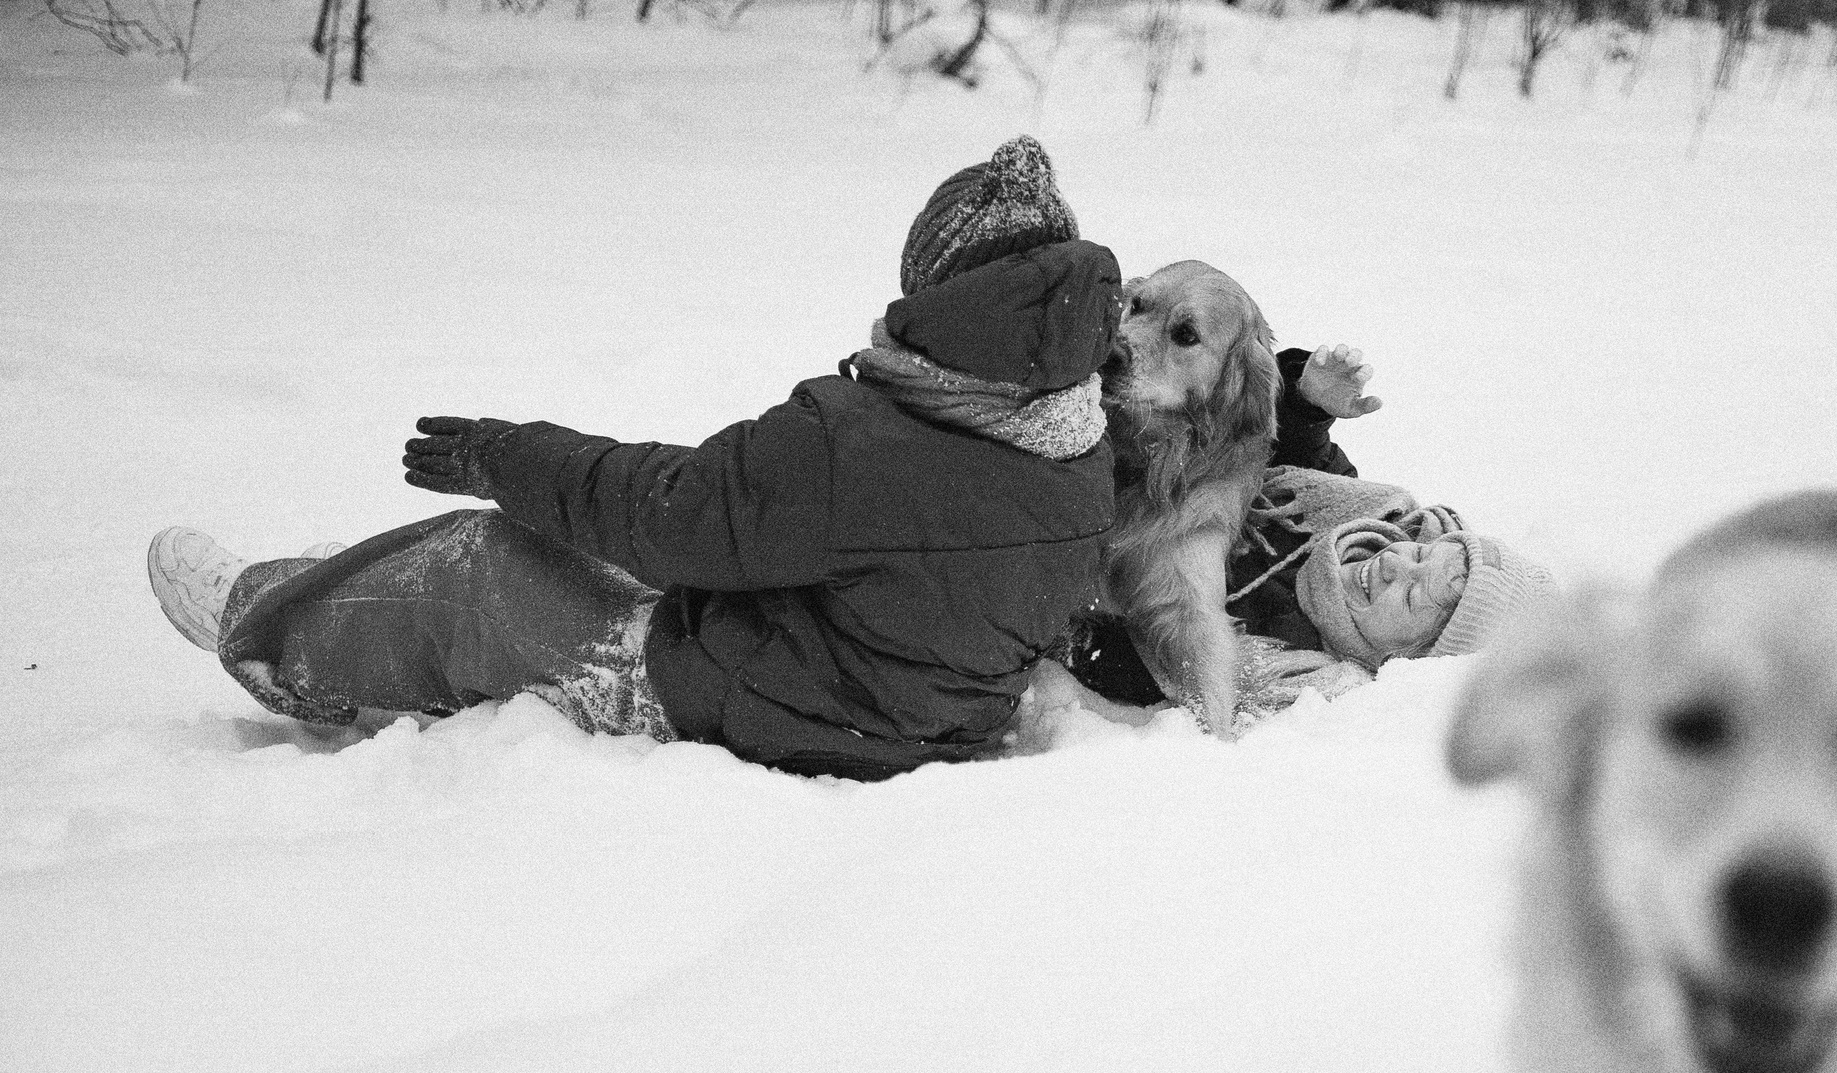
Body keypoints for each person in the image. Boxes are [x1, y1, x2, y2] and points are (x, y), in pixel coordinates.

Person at [146, 137, 1120, 782]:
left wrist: (504, 456)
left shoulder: (858, 445)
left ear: (937, 287)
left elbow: (670, 514)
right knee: (591, 560)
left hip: (785, 712)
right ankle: (346, 598)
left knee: (485, 567)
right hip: (927, 711)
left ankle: (269, 626)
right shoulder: (1078, 441)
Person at [1061, 343, 1554, 716]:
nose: (1394, 565)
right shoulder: (1356, 513)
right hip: (1133, 463)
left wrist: (1075, 641)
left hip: (1084, 562)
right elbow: (1266, 437)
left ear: (1408, 659)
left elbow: (1153, 670)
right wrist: (1306, 401)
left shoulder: (1297, 663)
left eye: (1408, 597)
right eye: (1421, 559)